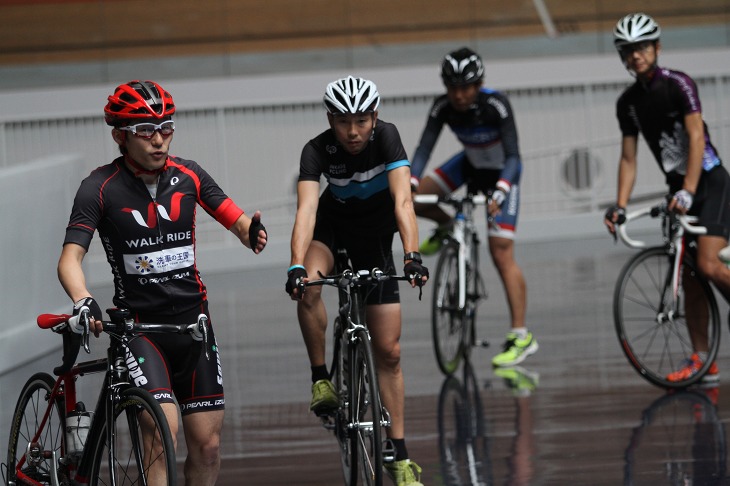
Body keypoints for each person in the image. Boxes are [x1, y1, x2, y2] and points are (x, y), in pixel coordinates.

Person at [57, 80, 268, 485]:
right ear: (120, 135)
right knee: (162, 434)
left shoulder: (189, 175)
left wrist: (250, 231)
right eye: (144, 131)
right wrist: (83, 298)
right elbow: (70, 259)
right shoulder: (98, 187)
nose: (158, 140)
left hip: (193, 328)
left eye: (166, 128)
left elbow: (237, 220)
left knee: (207, 448)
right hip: (140, 331)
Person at [286, 75, 429, 486]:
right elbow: (308, 210)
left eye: (362, 120)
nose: (353, 131)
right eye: (344, 121)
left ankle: (398, 455)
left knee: (390, 351)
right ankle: (321, 379)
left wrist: (412, 255)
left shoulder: (387, 138)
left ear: (375, 117)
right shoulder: (316, 150)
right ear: (330, 119)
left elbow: (403, 200)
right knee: (309, 286)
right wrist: (297, 264)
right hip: (331, 232)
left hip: (376, 241)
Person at [604, 13, 730, 383]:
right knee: (689, 276)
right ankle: (702, 360)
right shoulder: (627, 103)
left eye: (642, 47)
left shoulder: (679, 85)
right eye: (628, 50)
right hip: (681, 190)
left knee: (706, 264)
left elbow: (695, 138)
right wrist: (620, 205)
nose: (636, 55)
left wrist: (690, 190)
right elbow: (629, 158)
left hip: (708, 181)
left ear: (657, 47)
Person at [410, 47, 538, 368]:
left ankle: (521, 336)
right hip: (469, 165)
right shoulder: (443, 107)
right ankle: (448, 227)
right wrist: (410, 179)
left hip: (502, 175)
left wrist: (502, 190)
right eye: (452, 87)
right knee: (412, 199)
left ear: (478, 84)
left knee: (501, 251)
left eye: (465, 87)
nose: (458, 95)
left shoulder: (496, 104)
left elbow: (513, 157)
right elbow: (424, 147)